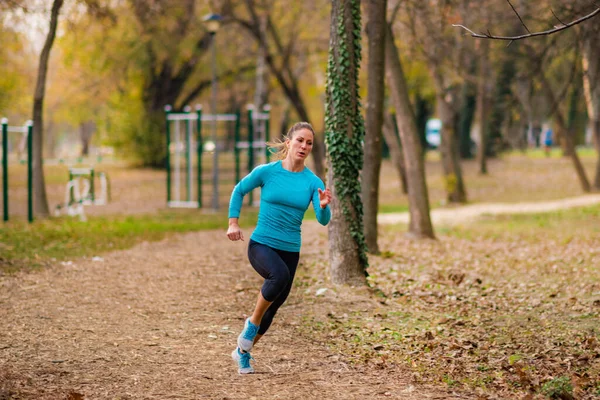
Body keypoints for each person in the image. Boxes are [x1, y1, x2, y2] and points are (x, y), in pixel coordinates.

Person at [226, 122, 332, 374]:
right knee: (279, 276)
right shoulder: (267, 172)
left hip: (290, 249)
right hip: (262, 244)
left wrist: (325, 205)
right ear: (288, 143)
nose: (304, 146)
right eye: (300, 141)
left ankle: (243, 352)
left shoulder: (312, 181)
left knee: (276, 304)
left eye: (309, 143)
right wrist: (233, 223)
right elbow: (239, 190)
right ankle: (251, 324)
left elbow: (322, 220)